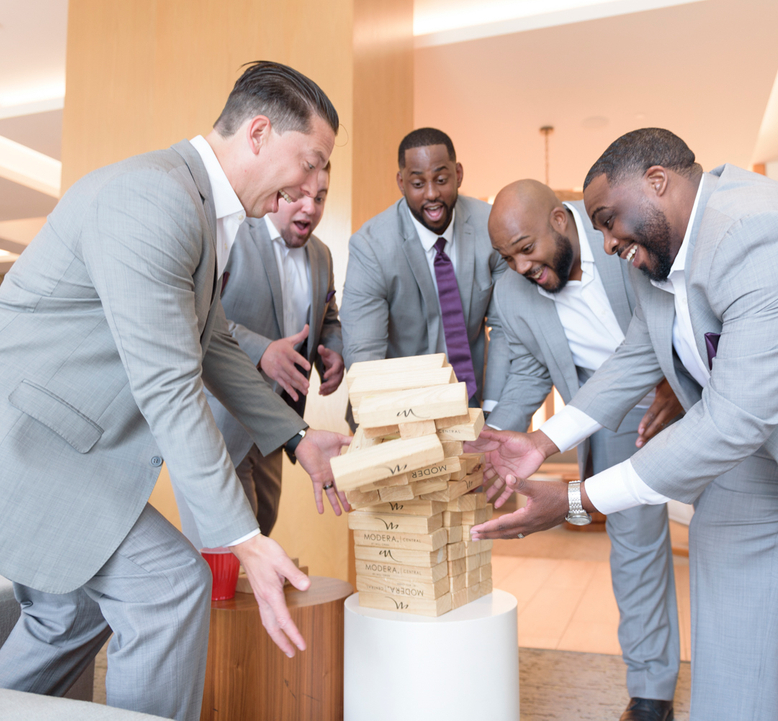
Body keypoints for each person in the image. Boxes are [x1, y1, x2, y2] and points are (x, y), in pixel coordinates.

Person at [0, 61, 350, 721]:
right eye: (311, 162)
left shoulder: (195, 206)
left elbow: (214, 345)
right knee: (167, 586)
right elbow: (170, 383)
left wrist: (299, 438)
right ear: (258, 134)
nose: (315, 185)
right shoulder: (154, 197)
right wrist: (241, 536)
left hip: (42, 449)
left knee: (69, 612)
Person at [473, 127, 778, 720]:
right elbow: (635, 357)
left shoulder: (760, 230)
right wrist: (539, 441)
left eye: (607, 220)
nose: (604, 243)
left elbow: (734, 418)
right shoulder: (659, 263)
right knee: (728, 552)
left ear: (657, 183)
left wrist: (579, 500)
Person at [486, 179, 684, 721]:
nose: (521, 267)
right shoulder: (512, 292)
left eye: (525, 250)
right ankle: (651, 691)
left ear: (558, 219)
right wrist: (493, 446)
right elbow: (528, 374)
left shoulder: (622, 228)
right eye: (507, 257)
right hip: (609, 411)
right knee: (635, 543)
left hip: (689, 385)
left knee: (741, 530)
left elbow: (684, 304)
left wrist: (676, 378)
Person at [175, 161, 346, 547]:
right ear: (279, 192)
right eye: (300, 196)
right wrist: (261, 349)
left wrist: (332, 351)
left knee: (261, 534)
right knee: (222, 553)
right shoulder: (232, 236)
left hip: (278, 427)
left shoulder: (322, 255)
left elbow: (328, 315)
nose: (310, 208)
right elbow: (197, 316)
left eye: (320, 198)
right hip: (220, 421)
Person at [342, 127, 508, 405]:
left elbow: (506, 330)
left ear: (458, 174)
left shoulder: (492, 227)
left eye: (441, 179)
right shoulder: (371, 247)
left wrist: (493, 411)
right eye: (418, 184)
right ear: (401, 182)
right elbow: (364, 355)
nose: (432, 194)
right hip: (396, 404)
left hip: (474, 401)